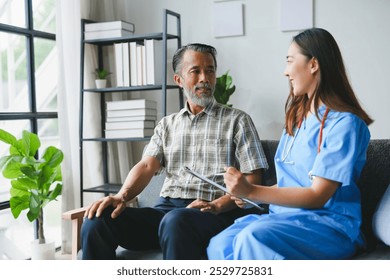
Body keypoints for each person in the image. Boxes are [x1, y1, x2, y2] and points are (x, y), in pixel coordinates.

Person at [81, 43, 269, 260]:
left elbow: (253, 180)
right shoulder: (166, 125)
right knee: (98, 219)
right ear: (178, 80)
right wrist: (121, 196)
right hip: (167, 211)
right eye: (195, 71)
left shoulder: (238, 120)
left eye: (210, 70)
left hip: (213, 213)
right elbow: (146, 165)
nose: (204, 78)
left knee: (177, 221)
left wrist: (215, 206)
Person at [207, 28, 374, 260]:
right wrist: (248, 194)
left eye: (290, 61)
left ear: (313, 64)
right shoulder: (297, 122)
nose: (286, 72)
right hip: (284, 219)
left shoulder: (345, 125)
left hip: (328, 226)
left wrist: (253, 189)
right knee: (219, 244)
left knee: (252, 238)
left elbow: (317, 195)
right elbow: (289, 184)